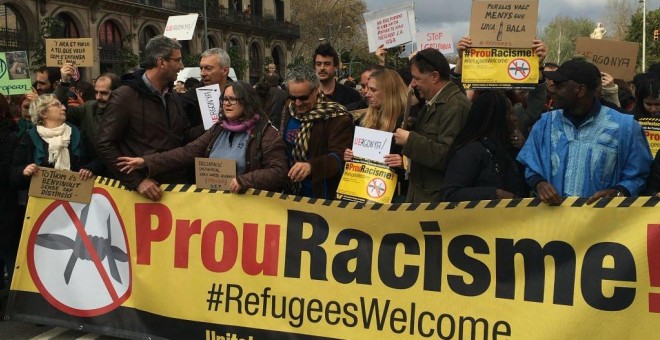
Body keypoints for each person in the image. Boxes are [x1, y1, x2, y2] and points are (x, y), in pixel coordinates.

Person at [517, 59, 653, 204]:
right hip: (553, 223)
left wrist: (618, 192)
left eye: (559, 85)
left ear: (580, 90)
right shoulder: (544, 124)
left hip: (602, 222)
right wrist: (540, 184)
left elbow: (639, 174)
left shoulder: (626, 127)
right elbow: (530, 166)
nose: (551, 89)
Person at [116, 81, 288, 193]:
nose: (226, 103)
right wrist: (147, 162)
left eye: (233, 99)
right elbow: (187, 152)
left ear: (248, 103)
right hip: (213, 207)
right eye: (224, 99)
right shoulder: (218, 129)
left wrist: (245, 180)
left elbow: (279, 172)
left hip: (249, 210)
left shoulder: (266, 133)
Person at [96, 35, 203, 201]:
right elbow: (104, 144)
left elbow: (184, 134)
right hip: (140, 197)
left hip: (174, 191)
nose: (181, 66)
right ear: (161, 62)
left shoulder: (172, 95)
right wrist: (137, 181)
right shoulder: (125, 96)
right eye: (178, 60)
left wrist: (215, 125)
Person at [393, 48, 472, 203]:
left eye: (417, 78)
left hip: (437, 201)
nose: (413, 84)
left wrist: (410, 140)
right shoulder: (435, 102)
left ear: (434, 76)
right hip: (424, 195)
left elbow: (447, 155)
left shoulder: (454, 106)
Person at [280, 66, 354, 199]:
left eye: (303, 98)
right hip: (289, 193)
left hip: (320, 195)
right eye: (292, 97)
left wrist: (311, 166)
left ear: (316, 90)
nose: (297, 103)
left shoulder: (337, 117)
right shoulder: (288, 108)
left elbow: (339, 156)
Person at [440, 91, 529, 202]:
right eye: (510, 113)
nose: (515, 118)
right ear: (496, 118)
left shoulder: (509, 147)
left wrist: (524, 148)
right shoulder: (470, 151)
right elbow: (451, 194)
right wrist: (495, 194)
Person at [343, 68, 408, 201]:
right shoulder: (362, 120)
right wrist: (349, 155)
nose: (367, 94)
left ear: (389, 92)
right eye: (367, 88)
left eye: (373, 90)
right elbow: (352, 155)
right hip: (361, 194)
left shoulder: (407, 122)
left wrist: (403, 162)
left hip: (394, 199)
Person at [56, 64, 121, 177]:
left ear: (117, 93)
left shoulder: (129, 112)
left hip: (119, 177)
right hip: (91, 175)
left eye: (104, 93)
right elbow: (59, 111)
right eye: (96, 92)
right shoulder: (89, 108)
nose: (98, 97)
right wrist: (64, 82)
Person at [182, 47, 232, 126]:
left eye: (208, 68)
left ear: (225, 70)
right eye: (201, 68)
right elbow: (185, 134)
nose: (202, 73)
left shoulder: (242, 95)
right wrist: (212, 125)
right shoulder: (190, 99)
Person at [0, 93, 18, 289]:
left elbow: (7, 171)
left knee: (8, 251)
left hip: (5, 203)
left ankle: (15, 301)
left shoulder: (10, 136)